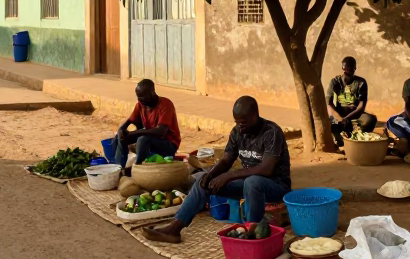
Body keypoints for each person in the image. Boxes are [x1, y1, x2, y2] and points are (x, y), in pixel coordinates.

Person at [143, 96, 290, 244]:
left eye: (243, 123)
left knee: (253, 182)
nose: (240, 127)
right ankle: (175, 228)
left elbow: (266, 169)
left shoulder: (271, 132)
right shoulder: (237, 132)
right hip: (247, 184)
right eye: (237, 122)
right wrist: (212, 174)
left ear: (254, 116)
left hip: (275, 185)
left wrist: (228, 176)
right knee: (203, 180)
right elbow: (226, 159)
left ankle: (251, 236)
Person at [112, 79, 181, 171]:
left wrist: (136, 133)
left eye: (143, 97)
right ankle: (119, 168)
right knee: (121, 137)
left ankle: (137, 168)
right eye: (138, 97)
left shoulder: (165, 104)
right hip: (152, 140)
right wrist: (121, 129)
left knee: (143, 139)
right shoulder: (141, 105)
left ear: (152, 93)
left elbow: (161, 131)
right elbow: (129, 121)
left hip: (168, 144)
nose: (140, 100)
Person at [327, 56, 377, 149]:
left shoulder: (361, 82)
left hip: (355, 114)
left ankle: (355, 136)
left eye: (351, 70)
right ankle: (340, 139)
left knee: (370, 119)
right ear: (342, 68)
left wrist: (347, 118)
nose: (348, 72)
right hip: (340, 114)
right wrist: (339, 118)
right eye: (346, 70)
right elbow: (329, 104)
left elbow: (361, 106)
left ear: (355, 69)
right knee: (326, 123)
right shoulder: (335, 82)